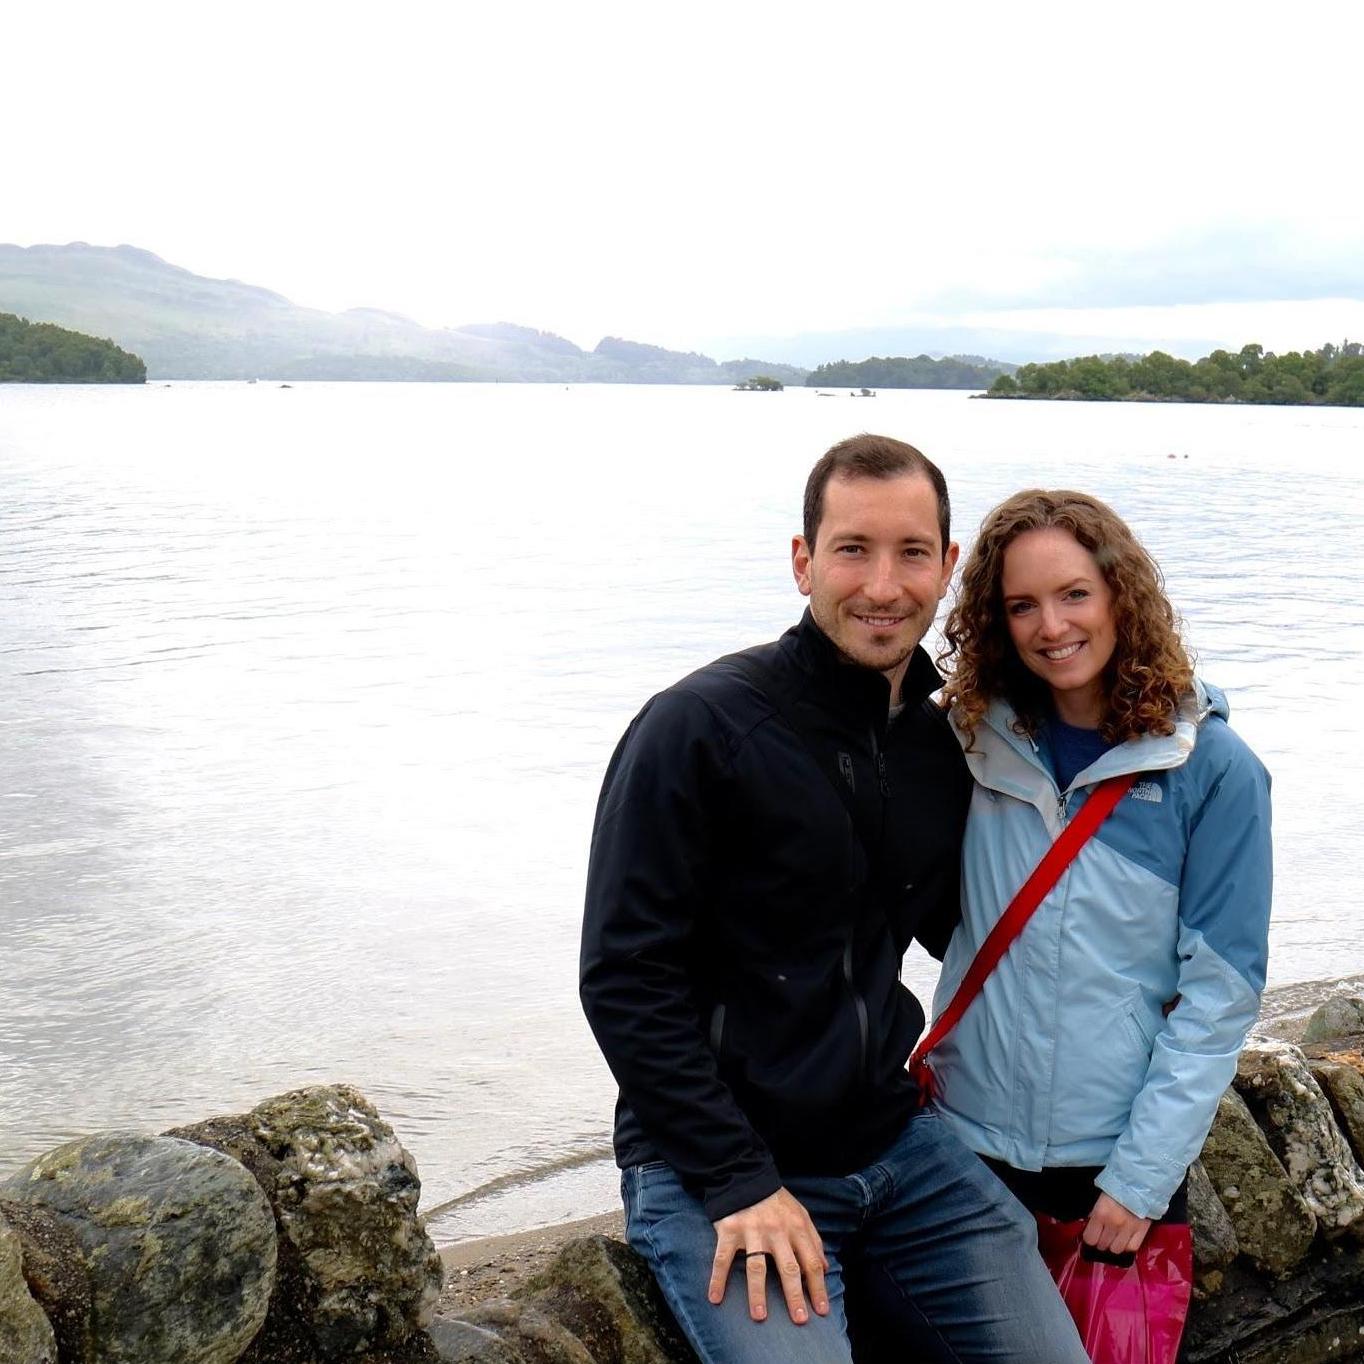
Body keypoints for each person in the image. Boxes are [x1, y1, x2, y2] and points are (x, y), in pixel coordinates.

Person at [580, 436, 1089, 1364]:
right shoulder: (699, 727)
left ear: (949, 567)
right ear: (803, 561)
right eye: (853, 549)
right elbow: (622, 976)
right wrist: (738, 1181)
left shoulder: (943, 746)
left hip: (900, 1147)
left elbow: (980, 934)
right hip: (721, 1165)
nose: (884, 587)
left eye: (912, 553)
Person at [929, 489, 1271, 1297]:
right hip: (964, 1146)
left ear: (1121, 595)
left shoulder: (1213, 771)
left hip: (1110, 1165)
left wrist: (1140, 1179)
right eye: (1022, 605)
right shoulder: (968, 740)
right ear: (994, 620)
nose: (1052, 628)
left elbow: (1219, 998)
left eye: (1075, 594)